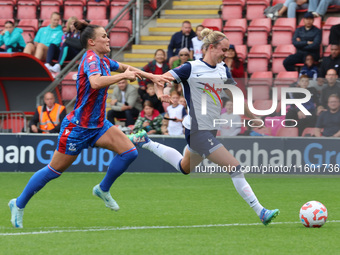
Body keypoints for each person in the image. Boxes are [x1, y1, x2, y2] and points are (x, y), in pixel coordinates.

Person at [8, 21, 172, 228]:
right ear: (92, 42)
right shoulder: (91, 59)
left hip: (98, 125)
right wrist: (123, 76)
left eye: (107, 35)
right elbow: (95, 82)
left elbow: (125, 67)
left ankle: (102, 189)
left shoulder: (104, 60)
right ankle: (18, 203)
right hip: (78, 128)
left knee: (129, 152)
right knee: (53, 171)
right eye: (103, 36)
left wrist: (152, 76)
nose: (108, 38)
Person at [129, 28, 279, 226]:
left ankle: (145, 142)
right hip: (198, 131)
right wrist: (160, 93)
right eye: (223, 50)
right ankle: (261, 211)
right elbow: (160, 79)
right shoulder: (190, 68)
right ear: (210, 47)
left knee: (185, 167)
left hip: (209, 129)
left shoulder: (222, 69)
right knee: (234, 167)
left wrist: (254, 117)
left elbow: (235, 96)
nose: (226, 54)